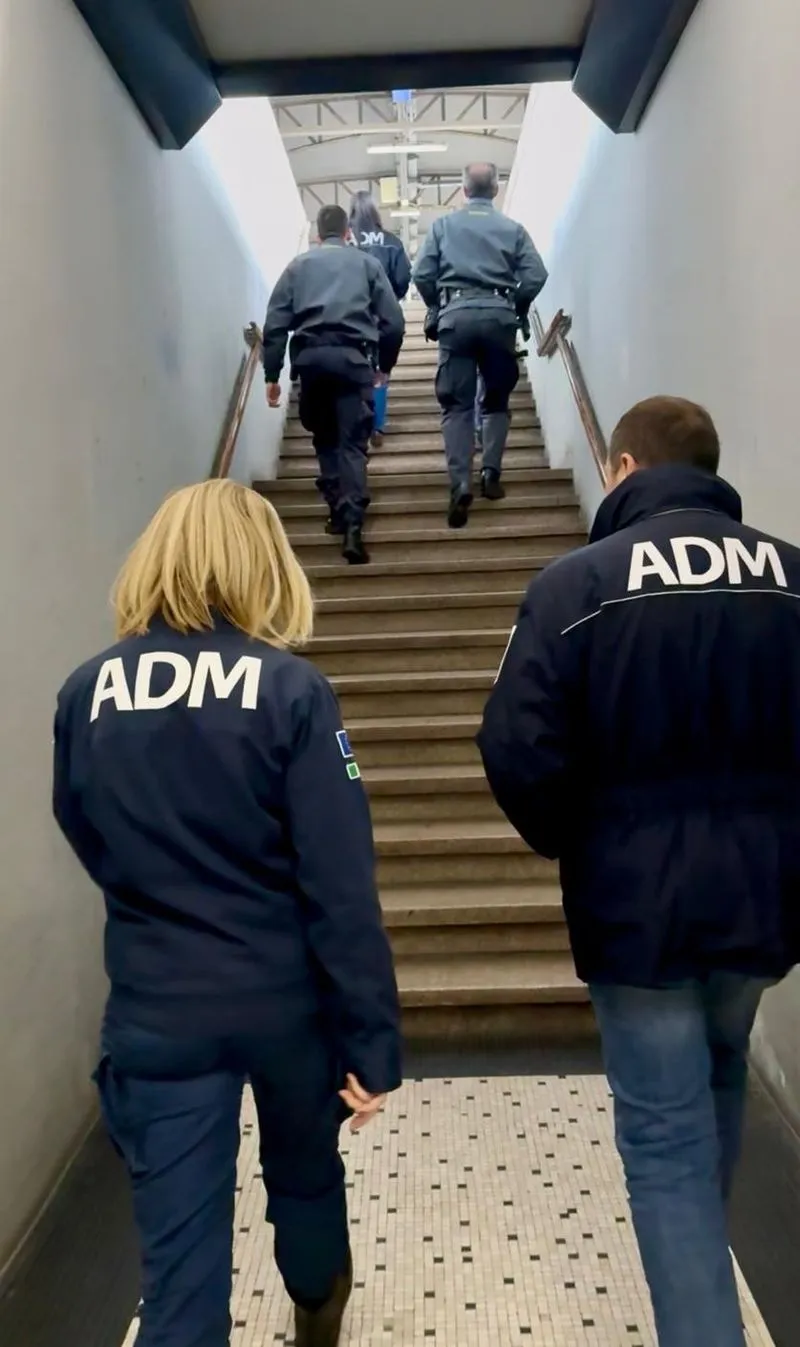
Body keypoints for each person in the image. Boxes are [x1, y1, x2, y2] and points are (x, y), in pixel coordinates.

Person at [477, 395, 800, 1347]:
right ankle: (702, 1270)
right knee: (720, 1073)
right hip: (766, 900)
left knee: (663, 1137)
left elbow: (513, 742)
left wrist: (578, 838)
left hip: (637, 912)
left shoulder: (574, 586)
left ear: (621, 468)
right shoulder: (790, 578)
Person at [53, 479, 403, 1347]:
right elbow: (340, 884)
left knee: (180, 1264)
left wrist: (155, 901)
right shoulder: (292, 690)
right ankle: (317, 1302)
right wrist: (370, 1039)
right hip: (284, 1003)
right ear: (262, 563)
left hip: (157, 1003)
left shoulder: (87, 692)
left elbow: (83, 827)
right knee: (305, 1174)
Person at [262, 203, 405, 566]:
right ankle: (353, 527)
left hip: (312, 362)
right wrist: (384, 366)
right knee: (352, 445)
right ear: (347, 233)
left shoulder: (297, 267)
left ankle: (337, 511)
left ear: (316, 234)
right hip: (353, 362)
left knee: (325, 441)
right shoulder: (367, 264)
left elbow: (275, 324)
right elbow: (394, 322)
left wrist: (271, 375)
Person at [412, 162, 547, 527]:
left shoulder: (443, 226)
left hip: (456, 319)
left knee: (457, 406)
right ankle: (491, 474)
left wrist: (436, 306)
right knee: (496, 401)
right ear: (496, 190)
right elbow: (536, 275)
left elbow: (421, 273)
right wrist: (518, 308)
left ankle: (460, 484)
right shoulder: (513, 229)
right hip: (499, 319)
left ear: (464, 190)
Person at [349, 191, 412, 448]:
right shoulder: (391, 241)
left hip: (351, 317)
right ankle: (377, 426)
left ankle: (355, 425)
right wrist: (391, 298)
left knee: (351, 369)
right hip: (385, 317)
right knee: (380, 372)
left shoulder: (346, 242)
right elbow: (404, 278)